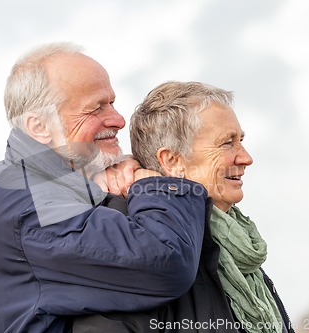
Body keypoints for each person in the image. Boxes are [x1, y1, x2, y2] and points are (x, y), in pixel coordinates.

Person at [0, 44, 210, 333]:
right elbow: (166, 259)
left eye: (111, 102)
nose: (118, 120)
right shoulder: (26, 203)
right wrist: (152, 184)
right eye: (96, 108)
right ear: (40, 127)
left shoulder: (60, 184)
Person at [74, 81, 295, 333]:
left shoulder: (236, 251)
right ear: (172, 161)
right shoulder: (130, 241)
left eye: (241, 140)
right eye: (227, 143)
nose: (246, 157)